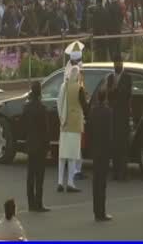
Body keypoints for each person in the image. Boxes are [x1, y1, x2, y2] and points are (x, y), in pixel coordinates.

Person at [57, 64, 87, 192]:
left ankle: (59, 182)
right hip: (75, 125)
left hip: (65, 124)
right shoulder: (79, 88)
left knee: (62, 155)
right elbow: (85, 106)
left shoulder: (64, 86)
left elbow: (59, 102)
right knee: (73, 155)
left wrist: (62, 118)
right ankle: (70, 183)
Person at [23, 81, 50, 211]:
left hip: (30, 143)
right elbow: (45, 130)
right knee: (39, 176)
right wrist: (48, 146)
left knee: (30, 175)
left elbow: (23, 126)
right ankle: (39, 203)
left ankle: (30, 203)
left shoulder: (26, 108)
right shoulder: (42, 108)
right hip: (40, 146)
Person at [88, 88, 113, 221]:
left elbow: (90, 130)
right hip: (104, 150)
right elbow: (110, 133)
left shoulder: (93, 111)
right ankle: (102, 212)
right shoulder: (108, 112)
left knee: (96, 181)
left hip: (95, 149)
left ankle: (96, 211)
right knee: (102, 183)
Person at [107, 55, 132, 181]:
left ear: (122, 64)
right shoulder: (111, 78)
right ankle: (115, 171)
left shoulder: (127, 77)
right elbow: (108, 94)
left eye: (119, 63)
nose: (117, 65)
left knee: (123, 145)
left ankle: (123, 172)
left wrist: (116, 89)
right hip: (113, 115)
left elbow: (127, 93)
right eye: (115, 63)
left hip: (123, 115)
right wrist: (113, 89)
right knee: (114, 145)